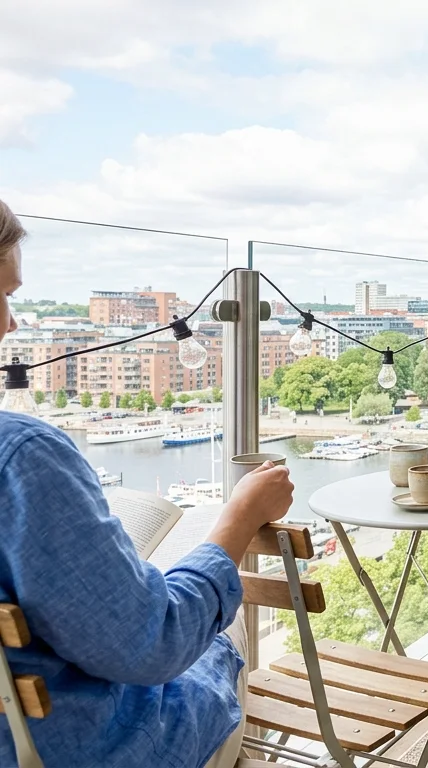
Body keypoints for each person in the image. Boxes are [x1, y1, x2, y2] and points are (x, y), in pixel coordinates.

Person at [0, 199, 295, 767]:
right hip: (72, 750)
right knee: (219, 639)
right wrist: (236, 521)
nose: (12, 322)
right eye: (7, 295)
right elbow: (153, 644)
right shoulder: (22, 456)